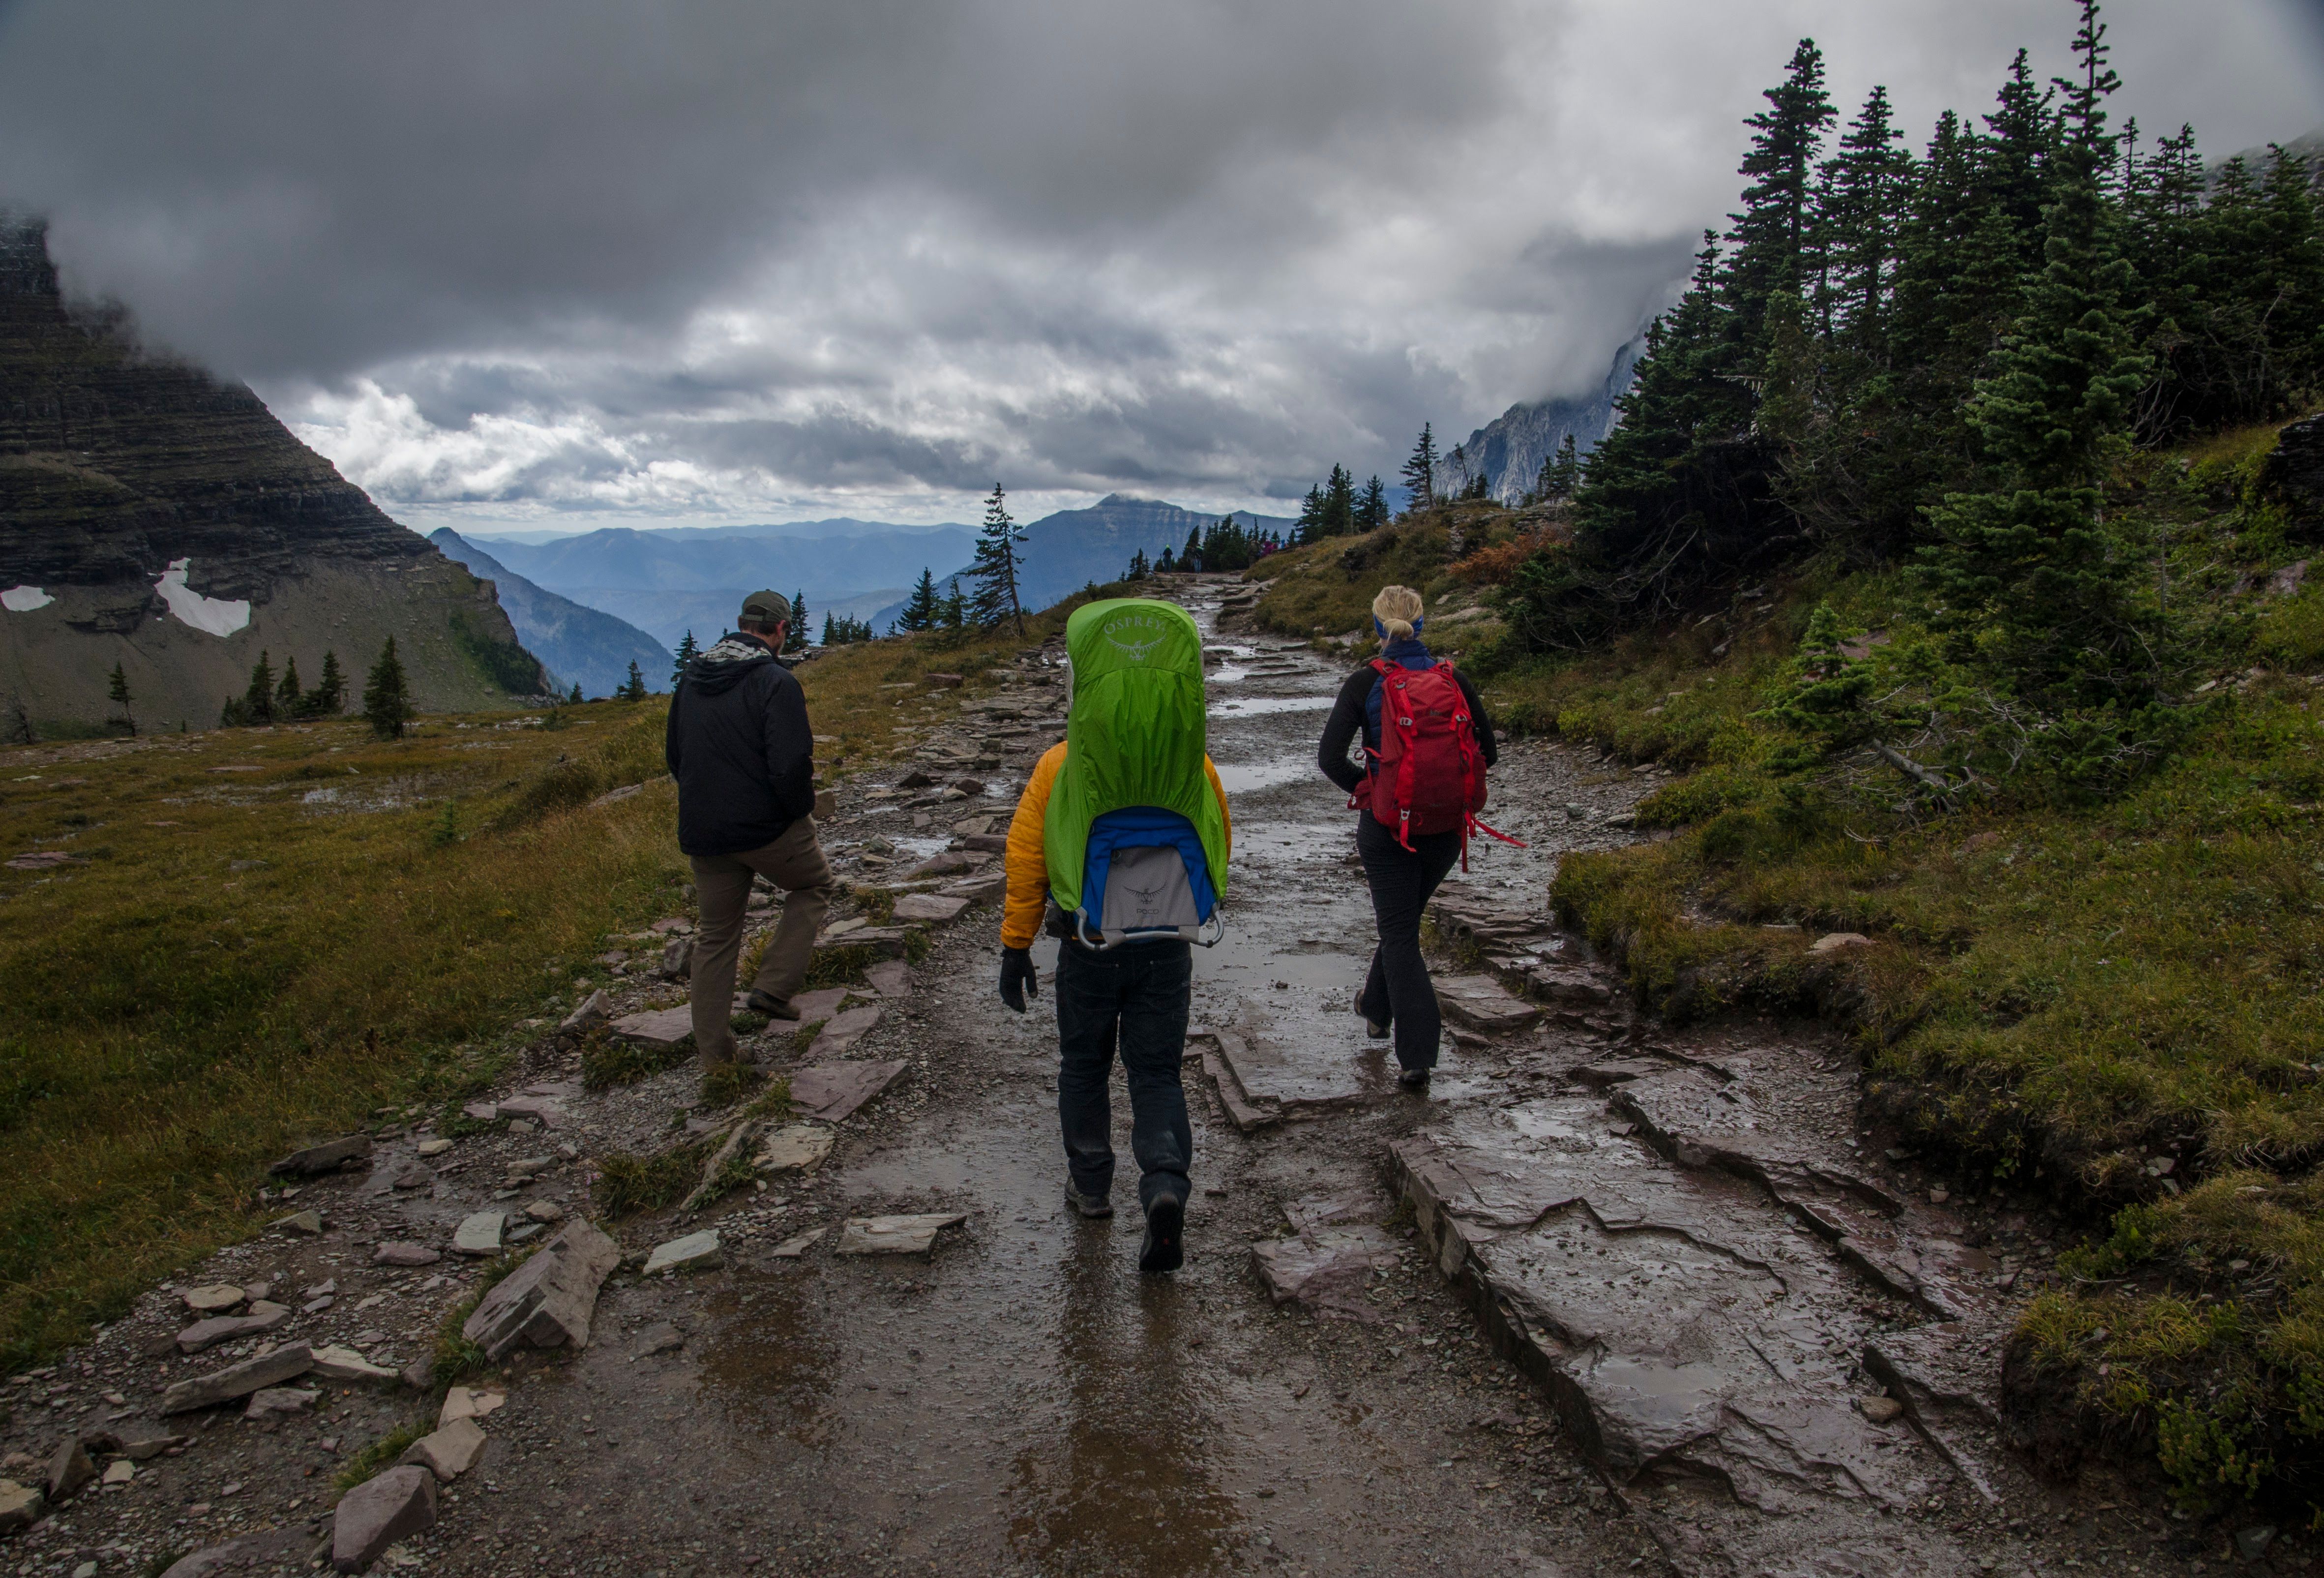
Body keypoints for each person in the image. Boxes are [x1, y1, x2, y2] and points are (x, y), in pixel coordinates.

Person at [997, 597, 1232, 1275]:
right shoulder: (1194, 765)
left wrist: (1016, 945)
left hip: (1088, 941)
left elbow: (1025, 859)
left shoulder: (1058, 767)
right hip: (1167, 940)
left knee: (1084, 1063)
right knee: (1156, 1070)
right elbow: (1217, 844)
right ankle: (1162, 1183)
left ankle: (1093, 1188)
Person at [1315, 584, 1499, 1089]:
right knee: (1403, 921)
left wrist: (1372, 790)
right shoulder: (1452, 678)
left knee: (1400, 935)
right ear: (1421, 626)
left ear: (1379, 628)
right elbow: (1491, 753)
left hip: (1389, 829)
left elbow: (1329, 759)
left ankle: (1416, 1056)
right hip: (1445, 829)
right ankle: (1375, 1008)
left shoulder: (1364, 681)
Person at [665, 589, 834, 1064]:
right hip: (767, 830)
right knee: (815, 886)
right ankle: (774, 988)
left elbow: (675, 756)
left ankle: (717, 1060)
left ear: (740, 623)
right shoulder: (776, 682)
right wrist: (799, 812)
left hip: (705, 833)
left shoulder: (692, 678)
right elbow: (791, 766)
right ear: (780, 630)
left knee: (716, 938)